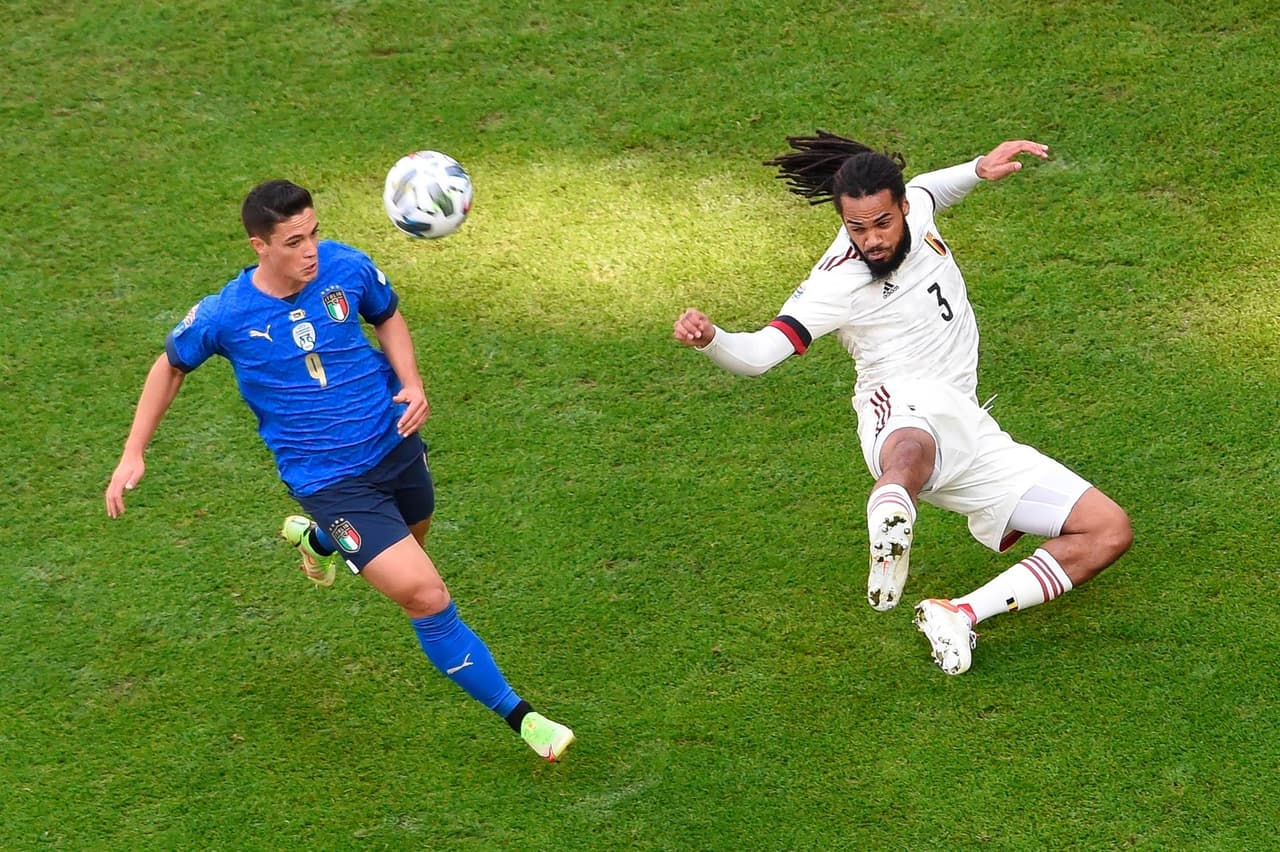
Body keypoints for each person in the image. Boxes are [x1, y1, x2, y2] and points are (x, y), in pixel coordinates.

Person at [105, 179, 575, 757]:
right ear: (260, 246)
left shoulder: (344, 267)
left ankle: (322, 542)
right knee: (424, 594)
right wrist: (134, 451)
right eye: (295, 241)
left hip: (395, 441)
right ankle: (524, 719)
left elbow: (389, 316)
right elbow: (169, 366)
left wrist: (412, 383)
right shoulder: (227, 314)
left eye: (315, 233)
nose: (310, 250)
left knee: (413, 537)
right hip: (329, 480)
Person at [672, 132, 1132, 674]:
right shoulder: (835, 284)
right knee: (914, 446)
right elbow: (757, 355)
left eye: (882, 224)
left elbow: (933, 188)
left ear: (903, 210)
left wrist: (978, 168)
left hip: (970, 427)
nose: (871, 241)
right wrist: (713, 339)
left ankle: (957, 613)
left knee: (1107, 530)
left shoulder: (919, 213)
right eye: (856, 228)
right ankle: (890, 516)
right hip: (896, 402)